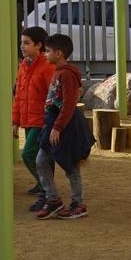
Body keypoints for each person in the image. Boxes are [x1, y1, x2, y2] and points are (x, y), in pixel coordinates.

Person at [33, 33, 90, 220]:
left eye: (48, 51)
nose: (45, 54)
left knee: (70, 164)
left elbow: (69, 103)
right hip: (54, 124)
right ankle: (53, 199)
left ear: (58, 53)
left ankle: (78, 203)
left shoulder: (66, 74)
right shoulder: (58, 72)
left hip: (64, 125)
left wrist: (57, 127)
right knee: (42, 160)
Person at [13, 25, 55, 197]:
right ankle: (44, 184)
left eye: (26, 43)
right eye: (22, 43)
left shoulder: (47, 67)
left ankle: (46, 186)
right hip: (28, 118)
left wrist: (51, 119)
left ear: (39, 45)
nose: (22, 46)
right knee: (40, 154)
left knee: (29, 154)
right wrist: (15, 121)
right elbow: (18, 96)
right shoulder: (23, 66)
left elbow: (53, 95)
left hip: (41, 119)